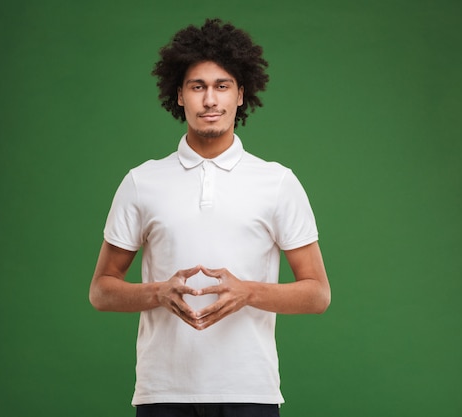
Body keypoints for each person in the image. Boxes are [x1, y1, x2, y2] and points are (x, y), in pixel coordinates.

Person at [89, 18, 331, 417]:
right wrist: (156, 293)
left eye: (222, 86)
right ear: (180, 95)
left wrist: (249, 292)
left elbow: (317, 294)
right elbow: (101, 290)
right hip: (162, 392)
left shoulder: (278, 182)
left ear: (241, 95)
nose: (210, 100)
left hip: (250, 390)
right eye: (197, 86)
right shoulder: (141, 182)